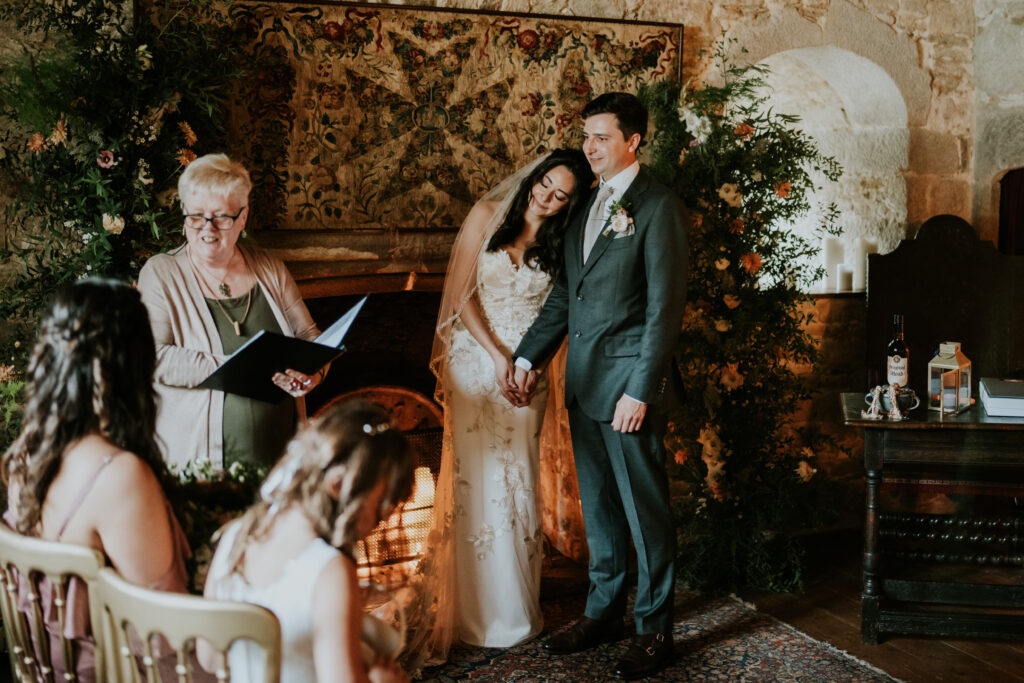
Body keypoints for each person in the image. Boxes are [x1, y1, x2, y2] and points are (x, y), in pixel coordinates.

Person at [513, 93, 689, 680]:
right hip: (584, 384)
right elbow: (568, 294)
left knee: (645, 513)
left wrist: (642, 390)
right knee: (601, 511)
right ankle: (602, 612)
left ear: (633, 141)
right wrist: (526, 355)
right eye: (586, 136)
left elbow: (664, 310)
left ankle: (655, 628)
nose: (589, 147)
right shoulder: (587, 203)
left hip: (629, 389)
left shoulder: (658, 206)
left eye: (601, 137)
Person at [403, 148, 593, 670]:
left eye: (561, 196)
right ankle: (470, 613)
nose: (548, 199)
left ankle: (513, 611)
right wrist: (497, 356)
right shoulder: (487, 217)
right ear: (534, 177)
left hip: (529, 373)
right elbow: (461, 293)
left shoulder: (564, 240)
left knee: (517, 485)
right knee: (473, 484)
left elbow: (563, 310)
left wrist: (529, 364)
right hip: (477, 360)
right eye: (545, 186)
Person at [2, 278, 193, 682]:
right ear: (132, 368)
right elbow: (165, 635)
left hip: (54, 670)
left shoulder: (26, 453)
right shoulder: (118, 476)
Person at [203, 400, 414, 683]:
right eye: (381, 505)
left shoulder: (235, 536)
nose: (384, 519)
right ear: (338, 486)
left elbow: (209, 657)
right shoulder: (328, 569)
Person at [138, 153, 325, 470]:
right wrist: (239, 370)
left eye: (221, 217)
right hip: (201, 468)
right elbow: (152, 356)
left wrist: (314, 374)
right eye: (196, 216)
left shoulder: (270, 268)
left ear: (242, 217)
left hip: (282, 463)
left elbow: (310, 337)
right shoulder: (161, 273)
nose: (207, 229)